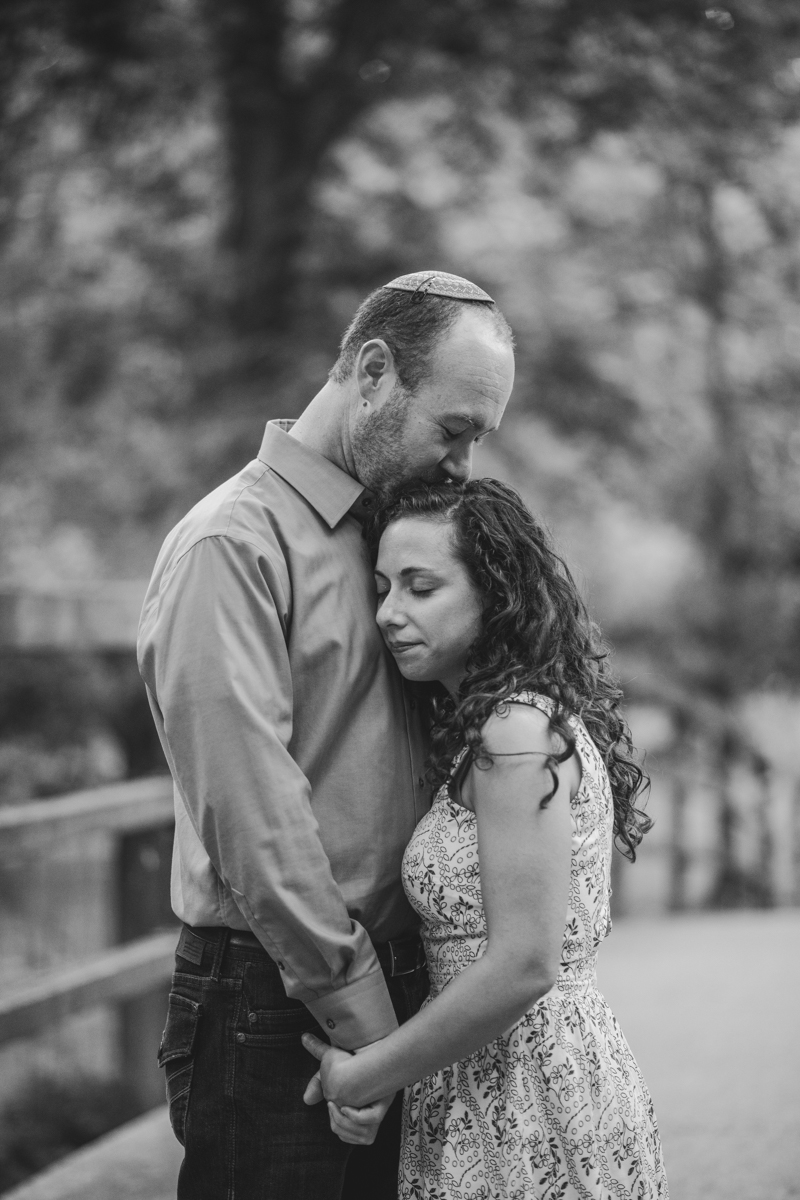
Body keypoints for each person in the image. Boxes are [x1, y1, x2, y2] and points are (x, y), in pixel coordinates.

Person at [136, 272, 516, 1199]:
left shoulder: (398, 540)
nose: (464, 463)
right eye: (455, 428)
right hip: (278, 1000)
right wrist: (367, 1024)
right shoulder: (233, 545)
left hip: (403, 986)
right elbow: (255, 822)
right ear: (375, 371)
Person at [303, 478, 669, 1200]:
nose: (388, 614)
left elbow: (523, 965)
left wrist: (365, 1073)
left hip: (531, 1092)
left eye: (421, 587)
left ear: (494, 594)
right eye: (381, 588)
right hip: (498, 1079)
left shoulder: (515, 732)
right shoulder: (505, 726)